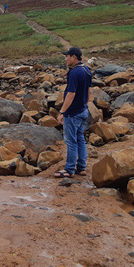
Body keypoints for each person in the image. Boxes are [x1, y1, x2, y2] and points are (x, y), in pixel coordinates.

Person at [54, 47, 92, 178]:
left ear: (74, 57)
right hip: (83, 110)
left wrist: (62, 112)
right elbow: (88, 91)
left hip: (73, 112)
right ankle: (81, 168)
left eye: (67, 56)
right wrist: (85, 104)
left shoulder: (74, 73)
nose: (65, 59)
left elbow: (71, 94)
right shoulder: (86, 70)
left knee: (71, 141)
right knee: (80, 138)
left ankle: (69, 169)